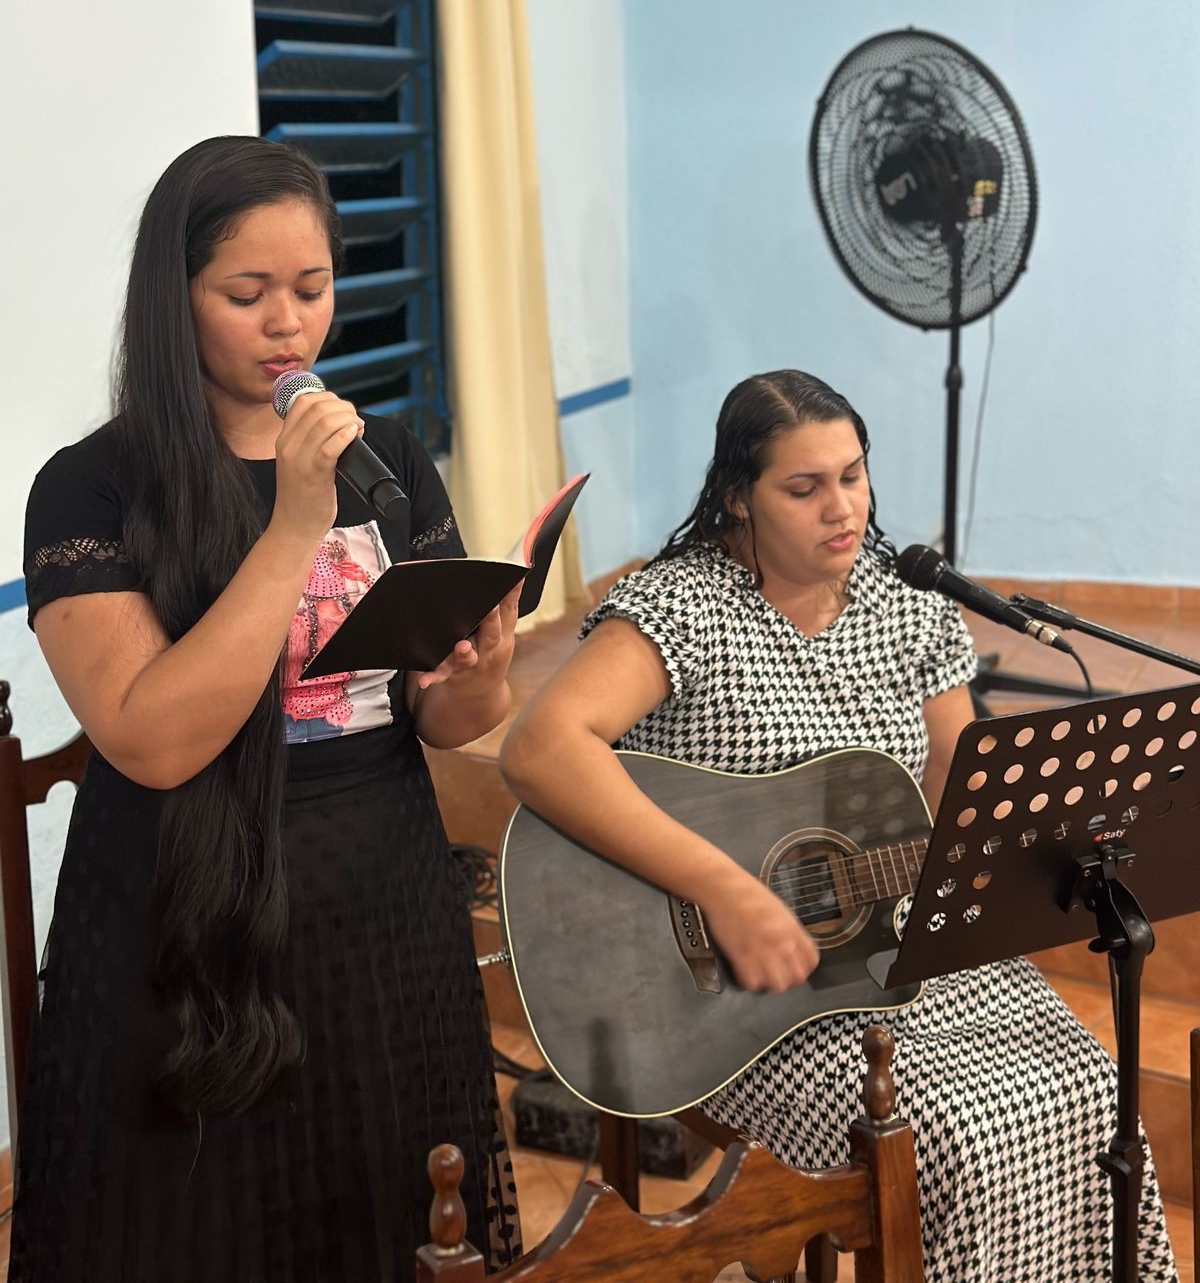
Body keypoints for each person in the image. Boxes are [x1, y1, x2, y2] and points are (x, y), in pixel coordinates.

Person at [500, 369, 1178, 1283]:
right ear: (737, 497)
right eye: (804, 487)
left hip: (900, 953)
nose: (842, 508)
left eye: (853, 476)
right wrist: (727, 890)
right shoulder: (680, 608)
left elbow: (962, 794)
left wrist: (1052, 827)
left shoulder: (910, 606)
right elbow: (541, 748)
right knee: (955, 1136)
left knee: (1093, 1092)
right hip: (739, 996)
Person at [16, 137, 521, 1281]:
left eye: (312, 287)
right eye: (247, 294)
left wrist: (478, 674)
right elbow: (151, 741)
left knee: (388, 1204)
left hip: (382, 907)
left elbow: (436, 717)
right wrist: (295, 521)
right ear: (175, 296)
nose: (288, 324)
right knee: (194, 1228)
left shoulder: (390, 457)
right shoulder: (93, 486)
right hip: (188, 920)